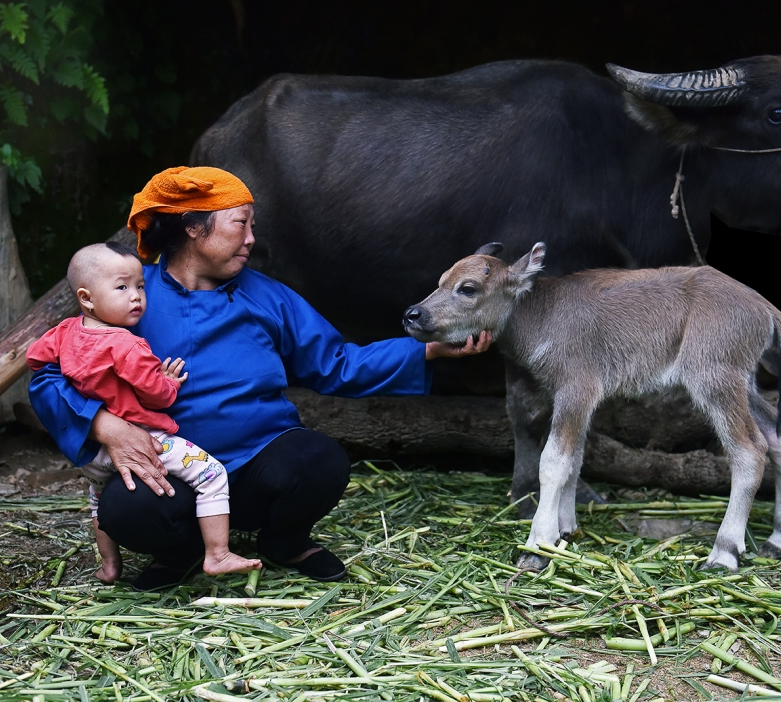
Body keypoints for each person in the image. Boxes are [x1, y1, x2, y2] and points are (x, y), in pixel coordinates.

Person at [29, 166, 491, 591]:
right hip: (171, 469)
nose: (252, 238)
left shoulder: (268, 296)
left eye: (252, 225)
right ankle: (183, 551)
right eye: (240, 223)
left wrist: (426, 348)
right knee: (121, 511)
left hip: (258, 465)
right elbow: (49, 375)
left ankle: (283, 541)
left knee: (321, 460)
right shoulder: (129, 295)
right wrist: (104, 426)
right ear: (194, 227)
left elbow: (336, 363)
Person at [27, 241, 263, 584]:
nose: (135, 296)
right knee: (211, 474)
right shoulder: (127, 345)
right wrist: (168, 382)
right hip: (142, 439)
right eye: (122, 287)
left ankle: (109, 566)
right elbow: (157, 397)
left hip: (93, 453)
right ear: (87, 298)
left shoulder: (65, 332)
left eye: (140, 286)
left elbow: (35, 357)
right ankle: (217, 553)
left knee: (97, 501)